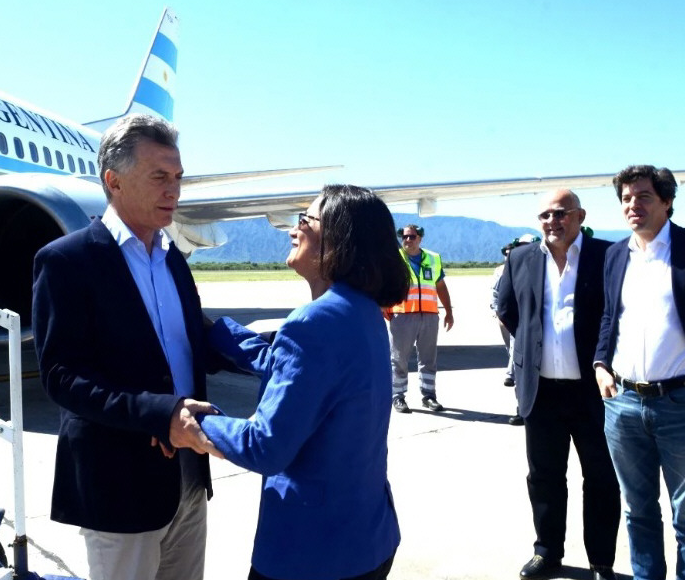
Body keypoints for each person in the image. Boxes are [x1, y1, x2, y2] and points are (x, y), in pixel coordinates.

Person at [31, 114, 219, 580]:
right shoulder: (68, 261)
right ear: (113, 181)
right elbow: (63, 377)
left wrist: (279, 347)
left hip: (188, 477)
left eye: (177, 177)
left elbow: (192, 342)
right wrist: (158, 414)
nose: (174, 190)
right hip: (119, 484)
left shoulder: (173, 260)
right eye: (159, 177)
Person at [199, 185, 410, 580]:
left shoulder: (313, 322)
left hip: (313, 554)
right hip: (368, 538)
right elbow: (294, 370)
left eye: (305, 221)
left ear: (338, 241)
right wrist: (219, 331)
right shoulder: (361, 311)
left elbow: (263, 447)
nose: (293, 230)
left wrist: (192, 421)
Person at [496, 189, 620, 580]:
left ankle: (601, 561)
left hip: (593, 392)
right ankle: (547, 551)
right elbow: (507, 309)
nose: (553, 221)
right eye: (546, 215)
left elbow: (618, 314)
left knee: (600, 478)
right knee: (544, 477)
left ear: (580, 216)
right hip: (541, 391)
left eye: (561, 213)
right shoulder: (521, 258)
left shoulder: (607, 255)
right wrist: (536, 348)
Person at [594, 165, 685, 580]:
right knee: (638, 510)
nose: (633, 205)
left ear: (666, 201)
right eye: (626, 199)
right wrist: (600, 364)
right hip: (624, 404)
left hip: (678, 403)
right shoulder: (616, 255)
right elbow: (609, 317)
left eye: (644, 196)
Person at [385, 224, 453, 413]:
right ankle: (398, 396)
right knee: (399, 359)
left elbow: (440, 286)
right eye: (404, 236)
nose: (408, 240)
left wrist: (449, 311)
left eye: (412, 236)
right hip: (402, 315)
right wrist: (384, 307)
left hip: (429, 316)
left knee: (428, 359)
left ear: (420, 238)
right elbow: (384, 284)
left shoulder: (433, 258)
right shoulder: (394, 258)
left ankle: (429, 396)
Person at [492, 234, 539, 426]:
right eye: (519, 246)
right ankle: (522, 409)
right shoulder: (510, 267)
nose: (521, 249)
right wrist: (518, 329)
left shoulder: (545, 267)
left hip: (537, 329)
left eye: (525, 245)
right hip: (520, 327)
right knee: (521, 368)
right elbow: (501, 298)